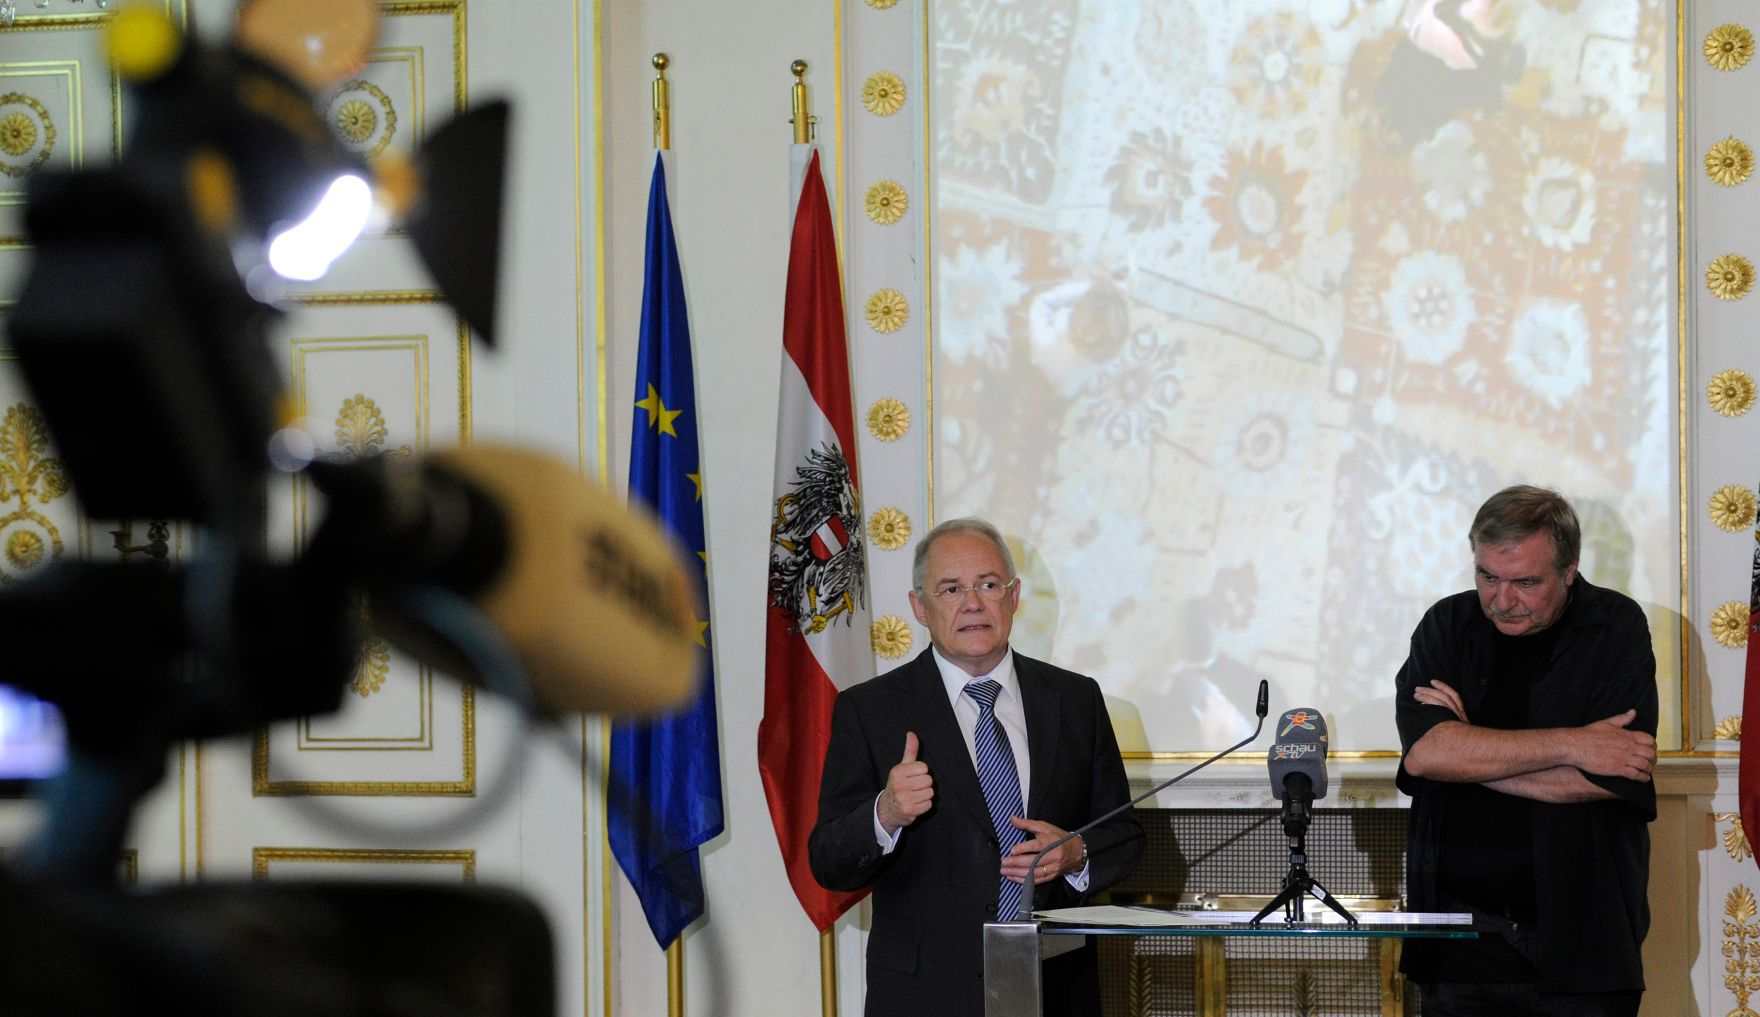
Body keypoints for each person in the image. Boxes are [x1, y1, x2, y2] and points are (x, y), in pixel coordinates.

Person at [809, 517, 1142, 1017]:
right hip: (925, 995)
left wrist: (1077, 852)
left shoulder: (1076, 700)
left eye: (988, 585)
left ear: (1013, 597)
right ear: (919, 607)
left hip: (1056, 989)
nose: (972, 603)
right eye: (950, 589)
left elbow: (1126, 835)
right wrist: (886, 813)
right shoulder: (870, 709)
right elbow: (827, 861)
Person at [1394, 485, 1657, 1016]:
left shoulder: (1617, 627)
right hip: (1458, 941)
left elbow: (1611, 777)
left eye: (1526, 582)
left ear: (1569, 570)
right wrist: (1575, 743)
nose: (1501, 599)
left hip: (1585, 941)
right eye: (1487, 576)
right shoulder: (1447, 625)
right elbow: (1426, 756)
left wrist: (1470, 753)